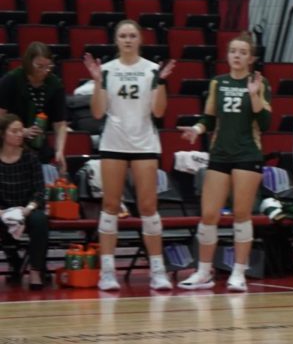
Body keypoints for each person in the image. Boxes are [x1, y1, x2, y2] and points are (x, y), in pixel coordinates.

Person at [83, 20, 176, 292]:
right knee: (110, 206)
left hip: (145, 144)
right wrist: (98, 81)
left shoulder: (152, 70)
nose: (127, 39)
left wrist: (161, 83)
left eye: (132, 35)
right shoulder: (108, 71)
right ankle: (107, 271)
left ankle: (158, 271)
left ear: (140, 40)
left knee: (148, 207)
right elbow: (98, 113)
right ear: (116, 40)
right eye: (122, 35)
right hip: (113, 142)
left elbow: (159, 112)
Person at [177, 32, 272, 291]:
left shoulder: (260, 83)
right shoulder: (217, 83)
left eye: (243, 52)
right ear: (228, 55)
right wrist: (196, 130)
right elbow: (208, 118)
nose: (237, 56)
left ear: (251, 58)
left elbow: (264, 124)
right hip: (219, 154)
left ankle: (239, 273)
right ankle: (203, 272)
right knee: (208, 214)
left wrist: (254, 96)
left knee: (242, 214)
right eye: (233, 52)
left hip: (247, 154)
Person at [0, 42, 67, 174]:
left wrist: (60, 151)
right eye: (39, 66)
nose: (44, 71)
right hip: (10, 147)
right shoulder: (11, 80)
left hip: (40, 150)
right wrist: (22, 132)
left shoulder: (55, 84)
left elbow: (60, 124)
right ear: (28, 63)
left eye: (48, 67)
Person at [0, 114, 50, 289]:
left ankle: (36, 271)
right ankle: (15, 262)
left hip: (27, 208)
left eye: (21, 130)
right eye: (14, 131)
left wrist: (28, 208)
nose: (19, 134)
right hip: (3, 210)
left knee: (40, 220)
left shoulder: (30, 157)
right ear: (3, 134)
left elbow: (39, 191)